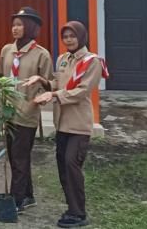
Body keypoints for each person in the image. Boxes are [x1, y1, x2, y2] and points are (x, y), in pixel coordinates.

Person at [28, 21, 108, 228]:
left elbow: (82, 91)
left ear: (81, 37)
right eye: (65, 37)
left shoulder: (93, 61)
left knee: (72, 165)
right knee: (63, 166)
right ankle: (72, 208)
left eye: (72, 36)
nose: (69, 40)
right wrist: (43, 81)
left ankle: (79, 213)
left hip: (78, 124)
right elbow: (57, 83)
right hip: (61, 122)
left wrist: (54, 95)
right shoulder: (63, 59)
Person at [0, 7, 53, 213]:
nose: (15, 28)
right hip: (8, 110)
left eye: (20, 25)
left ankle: (16, 200)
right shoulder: (7, 50)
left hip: (27, 112)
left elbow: (50, 83)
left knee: (20, 157)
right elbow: (1, 76)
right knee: (14, 156)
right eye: (14, 25)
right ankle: (28, 195)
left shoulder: (41, 54)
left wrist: (40, 91)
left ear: (30, 27)